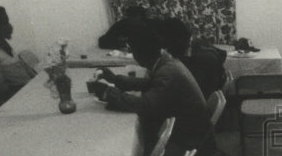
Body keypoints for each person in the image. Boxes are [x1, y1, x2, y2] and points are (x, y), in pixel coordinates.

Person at [92, 21, 216, 156]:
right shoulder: (166, 62)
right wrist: (116, 79)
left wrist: (108, 91)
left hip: (190, 141)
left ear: (140, 55)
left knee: (130, 144)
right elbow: (149, 84)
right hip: (195, 131)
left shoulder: (167, 71)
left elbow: (145, 105)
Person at [97, 10, 227, 96]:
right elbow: (154, 84)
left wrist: (112, 93)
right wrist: (116, 80)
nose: (163, 50)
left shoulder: (186, 62)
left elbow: (150, 101)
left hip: (187, 122)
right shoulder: (182, 57)